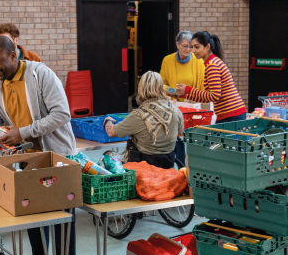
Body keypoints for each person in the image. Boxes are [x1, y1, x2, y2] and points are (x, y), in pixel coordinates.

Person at [0, 36, 77, 255]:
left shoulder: (40, 75)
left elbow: (62, 114)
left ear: (13, 55)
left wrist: (24, 132)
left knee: (61, 220)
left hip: (57, 158)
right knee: (30, 214)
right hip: (29, 161)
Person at [104, 71, 183, 169]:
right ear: (161, 88)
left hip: (142, 172)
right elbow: (180, 132)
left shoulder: (138, 116)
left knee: (107, 155)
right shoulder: (175, 111)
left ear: (141, 89)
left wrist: (108, 121)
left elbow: (111, 132)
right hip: (167, 168)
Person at [174, 31, 246, 123]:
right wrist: (184, 94)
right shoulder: (212, 63)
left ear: (207, 47)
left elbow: (214, 96)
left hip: (231, 114)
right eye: (192, 47)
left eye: (197, 47)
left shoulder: (212, 65)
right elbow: (208, 96)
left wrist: (188, 90)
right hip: (232, 113)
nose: (193, 51)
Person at [159, 30, 204, 166]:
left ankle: (192, 168)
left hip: (193, 108)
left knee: (192, 139)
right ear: (177, 44)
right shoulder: (167, 60)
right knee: (176, 139)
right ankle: (179, 167)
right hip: (173, 108)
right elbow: (161, 84)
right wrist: (174, 92)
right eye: (185, 46)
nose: (189, 50)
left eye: (191, 47)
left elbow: (202, 87)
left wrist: (188, 94)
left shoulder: (198, 62)